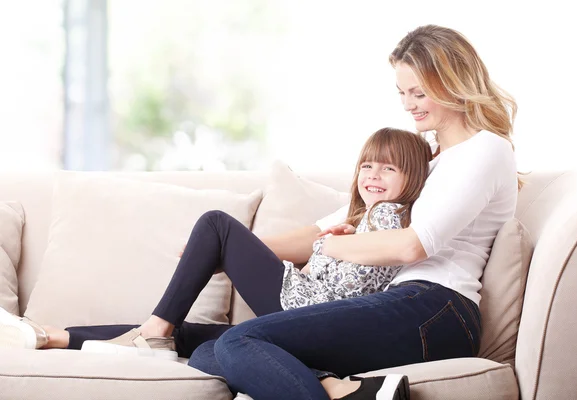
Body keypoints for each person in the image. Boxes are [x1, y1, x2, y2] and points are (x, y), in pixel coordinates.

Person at [0, 24, 519, 400]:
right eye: (402, 92)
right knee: (210, 351)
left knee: (241, 338)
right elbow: (323, 228)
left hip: (436, 309)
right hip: (396, 306)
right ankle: (345, 393)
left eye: (418, 91)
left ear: (451, 78)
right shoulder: (422, 162)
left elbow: (412, 245)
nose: (408, 104)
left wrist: (330, 246)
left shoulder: (486, 150)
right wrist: (232, 254)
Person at [281, 127, 432, 310]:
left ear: (413, 178)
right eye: (367, 166)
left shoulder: (386, 213)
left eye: (388, 168)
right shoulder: (373, 217)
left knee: (234, 234)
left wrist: (326, 251)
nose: (373, 175)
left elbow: (357, 283)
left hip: (301, 301)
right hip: (300, 298)